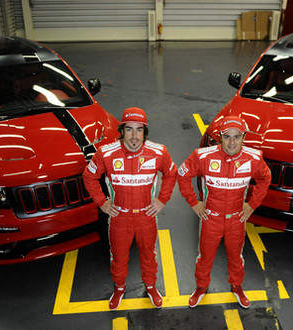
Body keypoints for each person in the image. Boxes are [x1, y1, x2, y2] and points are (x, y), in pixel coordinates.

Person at [83, 107, 177, 311]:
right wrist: (103, 202)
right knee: (118, 257)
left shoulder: (159, 152)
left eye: (139, 130)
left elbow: (171, 173)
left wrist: (161, 200)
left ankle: (151, 287)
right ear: (122, 131)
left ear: (145, 132)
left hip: (146, 216)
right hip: (119, 217)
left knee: (149, 255)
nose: (134, 136)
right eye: (129, 129)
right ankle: (119, 288)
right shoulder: (106, 153)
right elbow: (89, 177)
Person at [177, 116, 271, 309]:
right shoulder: (203, 156)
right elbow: (182, 174)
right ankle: (201, 287)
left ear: (244, 137)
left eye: (237, 137)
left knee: (236, 257)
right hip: (211, 218)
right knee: (205, 257)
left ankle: (236, 286)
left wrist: (252, 205)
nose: (232, 142)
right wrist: (194, 202)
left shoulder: (253, 158)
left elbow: (265, 178)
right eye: (227, 137)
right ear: (220, 136)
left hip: (237, 219)